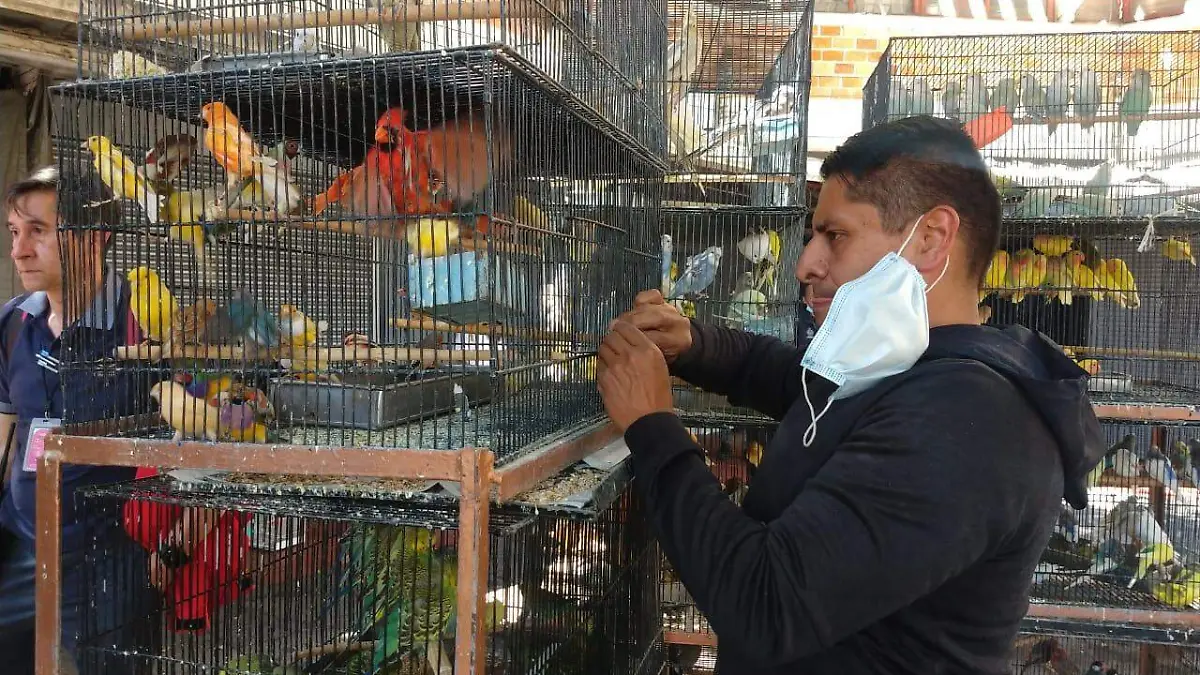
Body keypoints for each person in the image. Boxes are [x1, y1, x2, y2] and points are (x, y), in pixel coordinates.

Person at [596, 116, 1106, 674]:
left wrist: (653, 428)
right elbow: (797, 382)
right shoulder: (910, 370)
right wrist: (695, 343)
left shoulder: (973, 419)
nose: (805, 265)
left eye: (834, 236)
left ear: (930, 239)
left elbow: (768, 603)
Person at [0, 165, 160, 674]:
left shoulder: (144, 326)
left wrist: (175, 547)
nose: (19, 251)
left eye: (38, 232)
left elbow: (203, 439)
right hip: (20, 558)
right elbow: (4, 436)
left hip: (105, 567)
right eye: (14, 233)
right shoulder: (12, 322)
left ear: (95, 236)